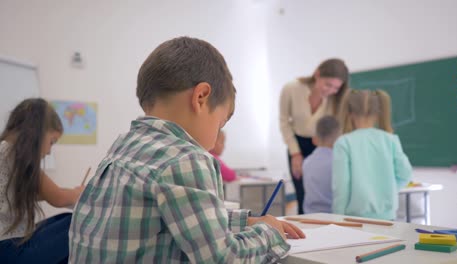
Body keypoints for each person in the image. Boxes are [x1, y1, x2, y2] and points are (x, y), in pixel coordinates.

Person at [69, 36, 305, 263]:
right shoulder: (184, 158)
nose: (213, 143)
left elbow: (180, 218)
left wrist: (248, 222)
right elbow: (225, 258)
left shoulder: (122, 147)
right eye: (220, 123)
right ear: (200, 97)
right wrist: (269, 232)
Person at [0, 98, 84, 263]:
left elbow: (40, 194)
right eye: (52, 142)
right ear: (36, 132)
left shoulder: (3, 150)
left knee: (61, 220)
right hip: (9, 250)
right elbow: (58, 198)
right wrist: (80, 192)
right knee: (74, 221)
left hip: (7, 249)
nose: (49, 152)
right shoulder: (16, 156)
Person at [279, 58, 349, 214]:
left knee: (325, 196)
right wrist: (295, 153)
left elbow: (337, 128)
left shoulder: (336, 99)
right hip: (297, 145)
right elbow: (284, 121)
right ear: (317, 74)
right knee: (302, 195)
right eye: (328, 84)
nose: (330, 91)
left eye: (336, 88)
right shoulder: (291, 88)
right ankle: (305, 234)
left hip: (324, 145)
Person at [332, 89, 412, 220]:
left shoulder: (344, 142)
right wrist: (386, 191)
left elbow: (341, 187)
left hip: (354, 220)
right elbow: (405, 174)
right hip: (388, 218)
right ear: (377, 114)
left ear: (349, 113)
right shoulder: (390, 139)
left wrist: (337, 219)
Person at [303, 116, 340, 214]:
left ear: (315, 139)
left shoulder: (307, 162)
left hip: (309, 216)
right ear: (338, 138)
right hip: (332, 217)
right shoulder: (339, 162)